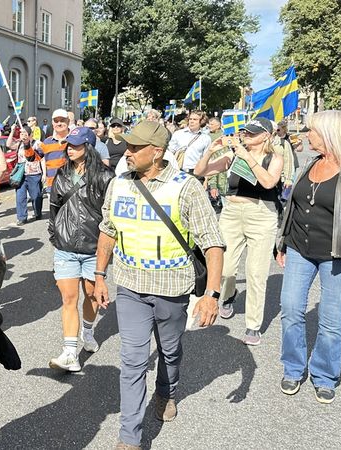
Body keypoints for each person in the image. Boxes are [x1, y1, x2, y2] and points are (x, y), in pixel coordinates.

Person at [93, 120, 225, 450]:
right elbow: (108, 230)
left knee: (169, 351)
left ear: (157, 153)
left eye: (135, 148)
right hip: (130, 288)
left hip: (172, 290)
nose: (127, 152)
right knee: (133, 361)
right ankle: (130, 437)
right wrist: (98, 275)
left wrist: (211, 294)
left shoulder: (186, 187)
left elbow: (213, 243)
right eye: (128, 146)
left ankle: (166, 391)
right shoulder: (118, 184)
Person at [275, 110, 341, 404]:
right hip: (299, 248)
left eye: (313, 132)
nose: (307, 136)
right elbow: (292, 207)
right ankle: (294, 368)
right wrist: (281, 243)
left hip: (338, 255)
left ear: (331, 135)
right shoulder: (309, 164)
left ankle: (324, 375)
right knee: (291, 309)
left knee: (331, 321)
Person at [194, 117, 284, 345]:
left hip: (261, 214)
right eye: (245, 133)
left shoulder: (274, 157)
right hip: (232, 211)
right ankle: (228, 295)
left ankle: (253, 326)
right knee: (225, 267)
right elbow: (200, 170)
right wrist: (210, 150)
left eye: (252, 133)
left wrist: (249, 158)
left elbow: (268, 183)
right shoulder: (233, 155)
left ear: (266, 136)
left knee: (256, 272)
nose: (246, 136)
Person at [47, 127, 113, 372]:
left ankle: (88, 331)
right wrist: (55, 234)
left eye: (76, 145)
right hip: (65, 248)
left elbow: (111, 216)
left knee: (92, 296)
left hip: (93, 249)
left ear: (89, 148)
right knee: (68, 298)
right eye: (69, 145)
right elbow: (54, 207)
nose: (70, 149)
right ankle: (69, 353)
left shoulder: (106, 177)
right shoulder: (61, 174)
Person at [14, 125, 45, 225]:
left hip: (34, 174)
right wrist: (11, 132)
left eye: (24, 133)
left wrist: (44, 173)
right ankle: (22, 217)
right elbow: (9, 144)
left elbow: (42, 158)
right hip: (22, 174)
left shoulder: (37, 143)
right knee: (20, 196)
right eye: (21, 133)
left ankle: (37, 212)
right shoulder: (20, 144)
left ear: (30, 134)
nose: (22, 135)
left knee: (36, 195)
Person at [167, 110, 210, 175]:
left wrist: (206, 178)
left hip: (196, 173)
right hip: (178, 171)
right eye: (190, 119)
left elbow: (206, 159)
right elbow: (170, 152)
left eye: (195, 119)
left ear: (201, 121)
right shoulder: (178, 134)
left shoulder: (205, 138)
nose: (191, 121)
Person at [42, 109, 71, 190]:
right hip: (52, 187)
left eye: (62, 120)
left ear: (68, 121)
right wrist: (26, 144)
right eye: (56, 121)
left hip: (71, 187)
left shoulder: (76, 139)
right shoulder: (47, 142)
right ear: (52, 123)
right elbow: (32, 158)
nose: (59, 123)